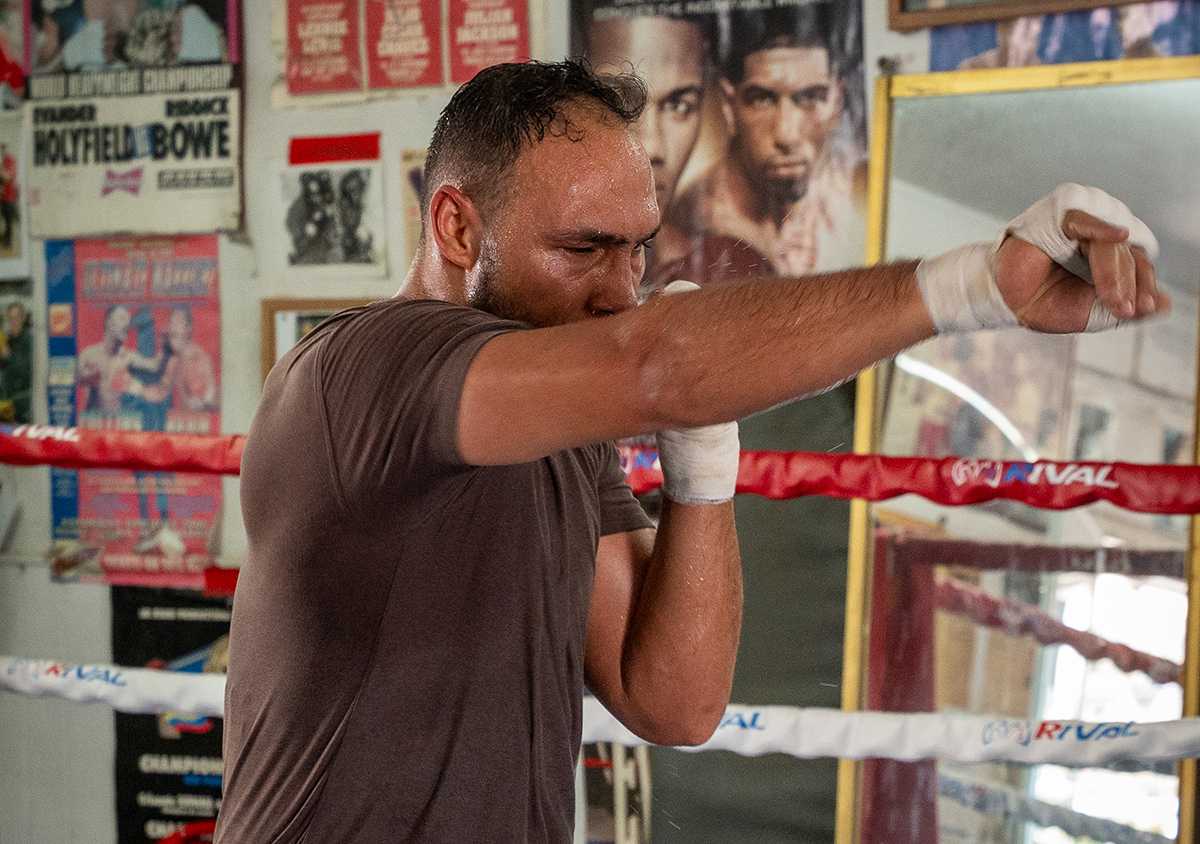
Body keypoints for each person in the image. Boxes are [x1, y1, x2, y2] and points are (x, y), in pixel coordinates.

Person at [216, 59, 1167, 844]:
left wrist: (703, 464)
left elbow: (673, 700)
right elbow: (650, 362)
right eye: (584, 249)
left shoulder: (557, 434)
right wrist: (976, 287)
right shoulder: (362, 373)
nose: (622, 291)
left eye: (638, 249)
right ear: (458, 226)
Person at [666, 3, 865, 278]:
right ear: (728, 105)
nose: (787, 135)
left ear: (837, 101)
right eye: (762, 99)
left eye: (810, 97)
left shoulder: (848, 207)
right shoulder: (690, 227)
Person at [584, 13, 769, 291]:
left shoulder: (723, 266)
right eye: (618, 103)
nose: (652, 147)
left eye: (679, 106)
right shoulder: (544, 274)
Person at [0, 302, 31, 423]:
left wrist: (7, 357)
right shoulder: (7, 339)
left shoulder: (28, 341)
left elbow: (24, 370)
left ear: (22, 319)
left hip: (22, 404)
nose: (13, 322)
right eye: (10, 318)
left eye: (16, 318)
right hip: (7, 404)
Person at [0, 143, 17, 253]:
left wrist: (1, 171)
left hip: (9, 196)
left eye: (4, 148)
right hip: (3, 195)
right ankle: (5, 241)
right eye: (1, 148)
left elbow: (8, 177)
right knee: (5, 220)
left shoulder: (10, 160)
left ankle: (8, 244)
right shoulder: (4, 161)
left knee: (8, 221)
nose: (2, 151)